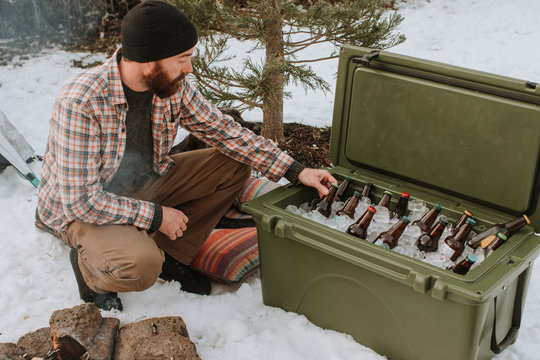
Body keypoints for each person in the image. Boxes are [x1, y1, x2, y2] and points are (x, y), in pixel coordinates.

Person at [35, 0, 337, 311]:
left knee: (233, 161)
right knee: (140, 264)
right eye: (182, 58)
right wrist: (156, 216)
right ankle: (91, 273)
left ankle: (173, 256)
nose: (189, 68)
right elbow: (81, 201)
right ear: (149, 58)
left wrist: (296, 170)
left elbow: (223, 130)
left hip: (142, 181)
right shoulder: (82, 102)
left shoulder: (170, 85)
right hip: (83, 209)